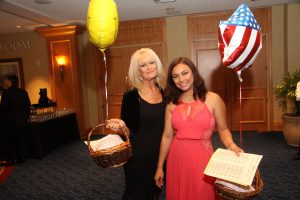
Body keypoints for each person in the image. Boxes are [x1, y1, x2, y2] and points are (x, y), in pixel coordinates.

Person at [154, 57, 243, 200]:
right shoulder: (171, 104)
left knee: (203, 194)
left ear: (194, 73)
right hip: (177, 158)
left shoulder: (213, 99)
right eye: (175, 76)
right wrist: (159, 167)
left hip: (203, 158)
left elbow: (223, 129)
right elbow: (167, 136)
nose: (181, 79)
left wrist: (230, 144)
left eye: (185, 73)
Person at [106, 48, 167, 200]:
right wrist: (120, 125)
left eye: (152, 62)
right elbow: (128, 132)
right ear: (137, 71)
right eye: (143, 65)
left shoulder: (165, 91)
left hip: (162, 153)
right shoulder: (131, 96)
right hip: (139, 157)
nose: (149, 67)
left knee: (155, 191)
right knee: (137, 194)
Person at [0, 75, 31, 165]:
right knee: (21, 140)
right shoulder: (23, 92)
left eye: (5, 81)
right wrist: (26, 118)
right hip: (23, 122)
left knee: (9, 141)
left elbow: (2, 108)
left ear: (10, 82)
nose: (3, 83)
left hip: (10, 123)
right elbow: (28, 106)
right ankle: (22, 158)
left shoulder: (7, 94)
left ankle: (13, 159)